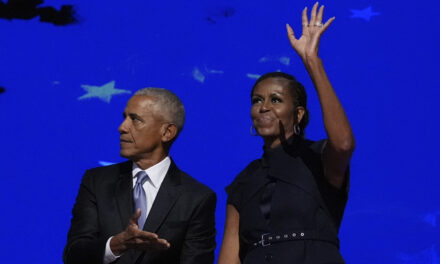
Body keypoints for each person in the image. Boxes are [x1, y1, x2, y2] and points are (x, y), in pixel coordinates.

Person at [218, 3, 355, 264]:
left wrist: (312, 61)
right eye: (257, 100)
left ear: (299, 114)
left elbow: (345, 144)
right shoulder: (244, 181)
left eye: (276, 100)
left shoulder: (317, 158)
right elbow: (229, 255)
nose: (264, 107)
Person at [63, 88, 216, 264]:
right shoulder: (97, 182)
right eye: (124, 117)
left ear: (167, 132)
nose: (122, 127)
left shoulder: (196, 198)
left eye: (135, 119)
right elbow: (73, 255)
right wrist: (116, 245)